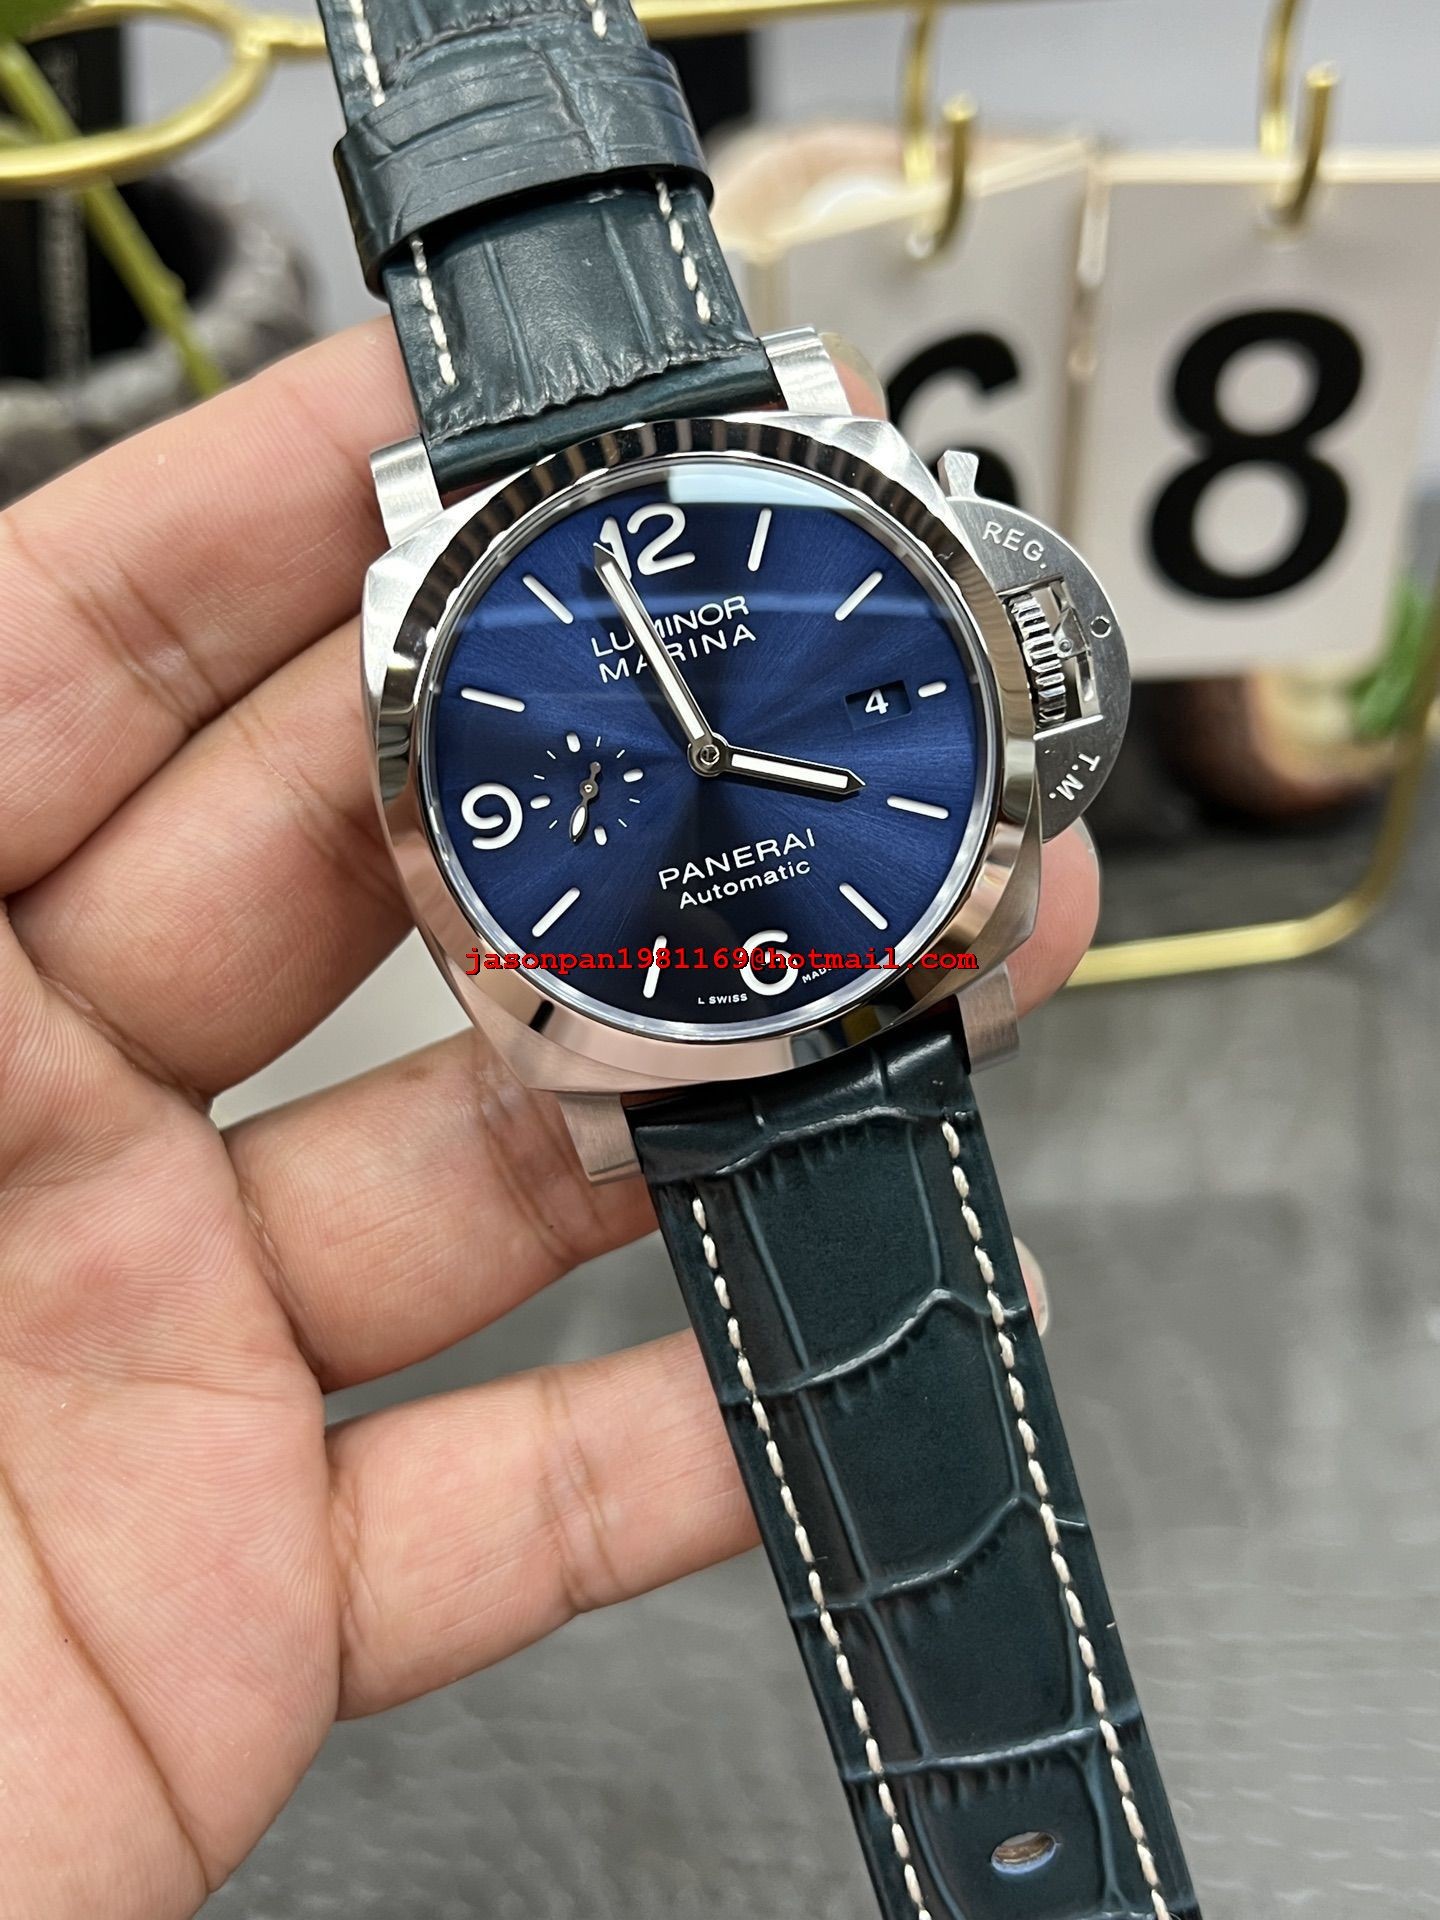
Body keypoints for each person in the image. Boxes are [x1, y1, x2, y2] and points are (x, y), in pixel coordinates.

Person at [0, 320, 1099, 1917]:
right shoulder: (476, 760)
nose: (707, 758)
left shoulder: (796, 492)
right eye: (693, 755)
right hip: (666, 1005)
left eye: (719, 746)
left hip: (855, 963)